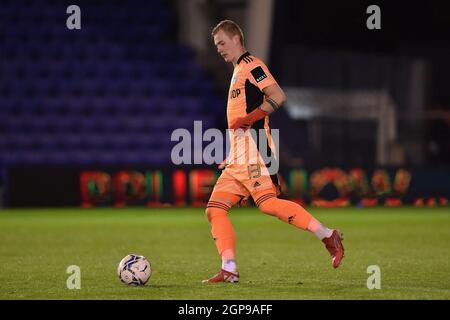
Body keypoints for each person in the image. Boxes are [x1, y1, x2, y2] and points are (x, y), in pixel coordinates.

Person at [203, 20, 344, 284]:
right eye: (216, 45)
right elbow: (239, 123)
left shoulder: (251, 65)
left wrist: (250, 118)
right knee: (214, 210)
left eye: (222, 43)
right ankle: (229, 267)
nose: (219, 49)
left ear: (236, 38)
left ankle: (327, 235)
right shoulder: (237, 72)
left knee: (268, 204)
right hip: (239, 158)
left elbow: (278, 96)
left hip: (256, 152)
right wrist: (232, 153)